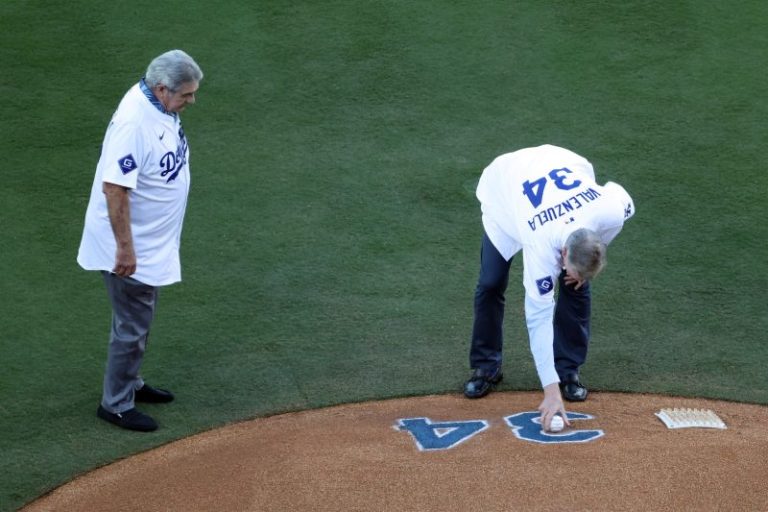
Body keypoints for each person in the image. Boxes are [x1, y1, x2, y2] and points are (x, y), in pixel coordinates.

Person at [463, 144, 634, 431]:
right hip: (505, 191)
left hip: (560, 162)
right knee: (491, 282)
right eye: (568, 266)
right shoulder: (541, 245)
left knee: (575, 286)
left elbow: (624, 206)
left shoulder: (609, 210)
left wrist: (581, 274)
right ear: (563, 254)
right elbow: (538, 318)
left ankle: (568, 370)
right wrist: (549, 392)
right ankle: (486, 366)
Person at [77, 49, 204, 432]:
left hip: (150, 240)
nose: (191, 101)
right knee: (132, 324)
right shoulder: (135, 123)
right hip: (130, 245)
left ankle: (130, 381)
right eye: (186, 94)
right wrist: (125, 248)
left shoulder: (160, 107)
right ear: (162, 89)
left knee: (139, 318)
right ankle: (115, 404)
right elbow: (114, 188)